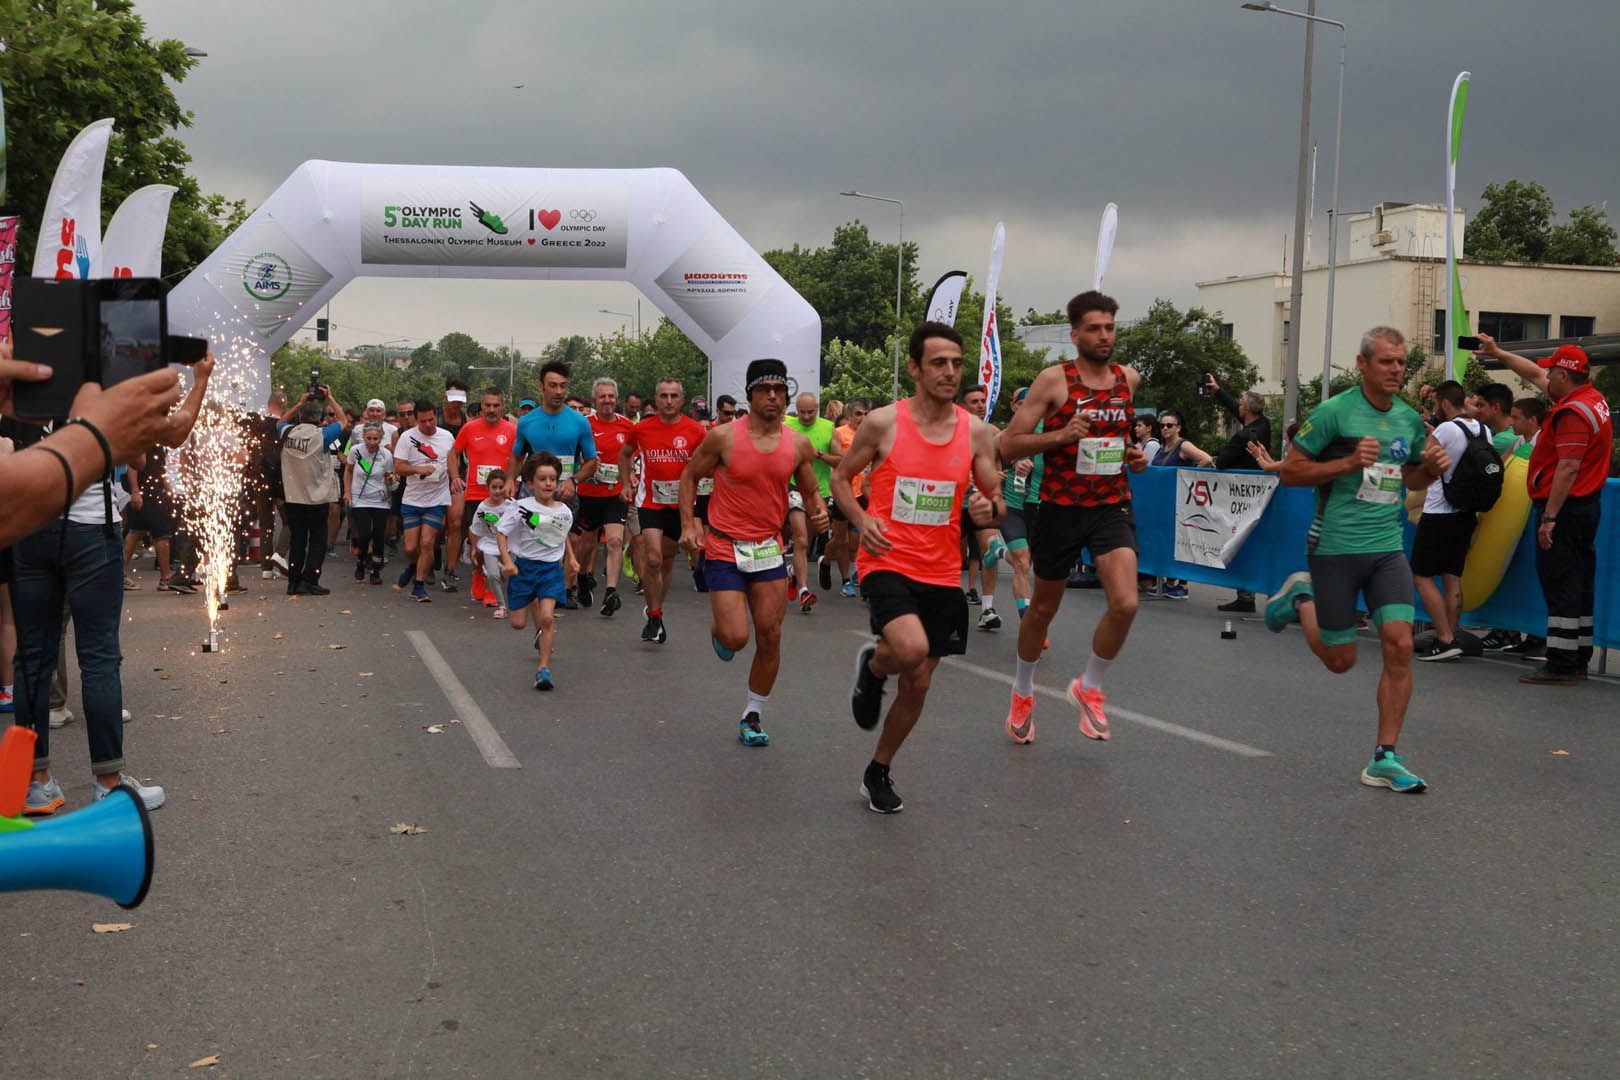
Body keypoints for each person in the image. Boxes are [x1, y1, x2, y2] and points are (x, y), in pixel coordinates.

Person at [12, 351, 212, 816]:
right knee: (99, 656)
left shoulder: (26, 384)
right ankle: (108, 781)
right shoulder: (103, 392)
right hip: (89, 531)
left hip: (29, 526)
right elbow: (170, 435)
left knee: (33, 657)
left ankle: (33, 781)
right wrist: (200, 378)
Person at [1265, 326, 1450, 793]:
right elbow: (1289, 473)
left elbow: (1409, 481)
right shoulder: (1333, 413)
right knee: (1341, 660)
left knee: (1400, 644)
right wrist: (1347, 464)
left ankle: (1384, 757)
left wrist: (1430, 468)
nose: (1395, 370)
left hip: (1387, 547)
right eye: (1386, 362)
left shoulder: (1409, 419)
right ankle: (1302, 596)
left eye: (1401, 363)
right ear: (1363, 364)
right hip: (1334, 547)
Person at [836, 324, 1003, 811]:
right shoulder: (883, 423)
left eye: (955, 363)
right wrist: (862, 519)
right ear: (914, 368)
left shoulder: (974, 431)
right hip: (887, 559)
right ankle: (875, 664)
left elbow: (997, 501)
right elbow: (845, 480)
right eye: (938, 362)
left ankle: (879, 769)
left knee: (920, 680)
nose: (949, 372)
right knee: (910, 649)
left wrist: (988, 513)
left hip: (942, 571)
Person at [999, 291, 1150, 746]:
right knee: (1043, 610)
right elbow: (1008, 445)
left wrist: (1133, 456)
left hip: (1110, 503)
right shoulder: (1054, 381)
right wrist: (1062, 434)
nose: (1104, 336)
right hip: (1059, 508)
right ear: (1075, 335)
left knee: (1125, 603)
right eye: (1094, 329)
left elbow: (1114, 442)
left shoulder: (1128, 379)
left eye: (1109, 328)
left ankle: (1090, 687)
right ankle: (1023, 692)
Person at [679, 359, 829, 747]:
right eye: (765, 390)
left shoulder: (797, 443)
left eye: (780, 390)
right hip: (725, 545)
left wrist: (819, 509)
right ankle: (720, 633)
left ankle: (753, 714)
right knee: (736, 638)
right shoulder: (724, 437)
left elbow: (810, 487)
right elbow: (690, 477)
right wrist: (690, 525)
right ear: (750, 395)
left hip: (767, 548)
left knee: (771, 634)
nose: (774, 397)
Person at [1474, 336, 1613, 684]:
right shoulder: (1589, 399)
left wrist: (1549, 516)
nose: (1546, 377)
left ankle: (1563, 663)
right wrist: (1497, 353)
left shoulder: (1572, 414)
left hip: (1565, 509)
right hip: (1584, 507)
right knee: (1579, 584)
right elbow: (1535, 373)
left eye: (1553, 371)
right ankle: (1577, 655)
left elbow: (1567, 467)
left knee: (1562, 583)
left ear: (1564, 377)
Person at [620, 377, 705, 643]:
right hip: (650, 502)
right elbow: (625, 454)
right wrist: (626, 482)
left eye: (674, 396)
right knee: (653, 558)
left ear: (682, 400)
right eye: (663, 396)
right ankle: (655, 615)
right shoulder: (642, 429)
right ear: (655, 400)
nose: (668, 401)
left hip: (681, 505)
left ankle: (656, 610)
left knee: (666, 562)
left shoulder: (696, 431)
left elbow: (707, 463)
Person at [1409, 380, 1487, 662]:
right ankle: (1450, 637)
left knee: (1421, 575)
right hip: (1466, 513)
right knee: (1453, 577)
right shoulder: (1482, 429)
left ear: (1444, 402)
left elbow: (1423, 459)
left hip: (1439, 511)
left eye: (1435, 404)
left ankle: (1443, 637)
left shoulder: (1446, 429)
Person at [509, 360, 598, 604]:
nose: (559, 392)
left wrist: (574, 481)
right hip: (532, 492)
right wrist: (509, 479)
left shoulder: (579, 422)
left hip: (566, 491)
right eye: (553, 386)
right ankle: (535, 587)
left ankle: (566, 589)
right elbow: (517, 455)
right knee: (537, 539)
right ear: (541, 386)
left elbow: (592, 461)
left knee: (572, 539)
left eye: (563, 386)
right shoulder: (528, 422)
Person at [495, 453, 576, 690]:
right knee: (518, 624)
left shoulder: (564, 510)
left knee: (548, 618)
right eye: (542, 479)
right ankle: (533, 606)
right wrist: (508, 561)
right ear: (530, 483)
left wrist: (571, 559)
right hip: (524, 568)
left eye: (552, 478)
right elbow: (501, 533)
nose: (548, 483)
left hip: (551, 569)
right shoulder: (520, 507)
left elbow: (562, 537)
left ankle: (543, 669)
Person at [277, 385, 348, 596]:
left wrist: (299, 403)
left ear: (300, 417)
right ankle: (310, 579)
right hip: (316, 498)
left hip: (293, 496)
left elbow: (280, 421)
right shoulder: (322, 435)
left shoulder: (288, 432)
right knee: (317, 541)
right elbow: (343, 421)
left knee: (297, 540)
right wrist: (330, 397)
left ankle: (293, 581)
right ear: (319, 419)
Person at [448, 387, 516, 596]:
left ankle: (491, 586)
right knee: (477, 541)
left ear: (503, 407)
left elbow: (520, 457)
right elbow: (453, 453)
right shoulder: (469, 429)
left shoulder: (512, 430)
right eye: (487, 405)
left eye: (496, 405)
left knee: (498, 540)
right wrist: (455, 477)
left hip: (503, 496)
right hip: (476, 495)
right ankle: (478, 573)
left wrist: (514, 480)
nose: (491, 409)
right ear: (481, 406)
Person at [575, 377, 634, 615]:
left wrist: (632, 477)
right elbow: (574, 452)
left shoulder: (628, 426)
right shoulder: (583, 424)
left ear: (616, 399)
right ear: (594, 400)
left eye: (611, 396)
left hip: (615, 494)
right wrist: (584, 464)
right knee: (586, 544)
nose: (607, 400)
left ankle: (611, 592)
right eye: (602, 397)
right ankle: (581, 577)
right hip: (589, 493)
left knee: (615, 542)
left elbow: (633, 456)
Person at [393, 400, 459, 602]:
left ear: (435, 416)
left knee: (427, 543)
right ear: (416, 419)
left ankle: (419, 586)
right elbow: (399, 467)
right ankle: (415, 565)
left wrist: (455, 478)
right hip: (412, 499)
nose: (429, 424)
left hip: (437, 499)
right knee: (410, 548)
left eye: (431, 419)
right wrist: (418, 469)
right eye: (423, 421)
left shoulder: (447, 437)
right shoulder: (407, 437)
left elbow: (453, 460)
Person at [784, 390, 840, 614]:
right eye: (802, 412)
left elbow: (840, 459)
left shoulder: (828, 428)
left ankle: (792, 572)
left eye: (811, 412)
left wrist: (818, 455)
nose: (806, 416)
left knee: (810, 537)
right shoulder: (787, 427)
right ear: (796, 410)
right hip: (794, 487)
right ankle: (804, 591)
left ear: (818, 409)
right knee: (802, 541)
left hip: (820, 491)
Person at [959, 384, 1010, 627]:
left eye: (982, 401)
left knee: (990, 550)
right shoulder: (952, 431)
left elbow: (999, 463)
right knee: (949, 557)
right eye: (974, 401)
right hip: (955, 505)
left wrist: (998, 475)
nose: (980, 405)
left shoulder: (993, 432)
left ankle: (988, 609)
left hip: (983, 503)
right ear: (962, 406)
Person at [825, 398, 871, 597]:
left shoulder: (874, 434)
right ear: (849, 416)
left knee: (858, 539)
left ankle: (854, 574)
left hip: (864, 491)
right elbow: (837, 459)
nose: (862, 418)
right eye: (858, 414)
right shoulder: (839, 433)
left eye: (866, 414)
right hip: (843, 492)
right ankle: (827, 561)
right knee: (840, 539)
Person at [344, 421, 394, 584]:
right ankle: (361, 561)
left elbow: (389, 475)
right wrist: (347, 492)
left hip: (380, 500)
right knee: (365, 534)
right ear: (363, 438)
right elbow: (349, 470)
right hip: (360, 499)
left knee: (379, 535)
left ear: (381, 439)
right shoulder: (355, 451)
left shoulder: (386, 455)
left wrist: (391, 478)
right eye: (369, 438)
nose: (372, 442)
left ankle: (375, 570)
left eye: (375, 439)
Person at [467, 468, 513, 617]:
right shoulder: (483, 507)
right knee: (493, 574)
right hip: (490, 545)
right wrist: (474, 548)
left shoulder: (512, 505)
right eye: (494, 487)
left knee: (508, 575)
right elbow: (475, 528)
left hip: (509, 546)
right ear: (487, 488)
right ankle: (502, 607)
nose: (498, 491)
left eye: (501, 487)